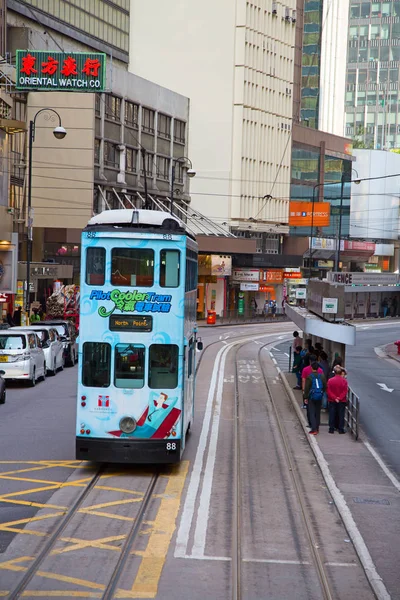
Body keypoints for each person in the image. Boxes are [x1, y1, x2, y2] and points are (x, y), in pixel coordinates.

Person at [304, 362, 326, 435]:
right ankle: (317, 427)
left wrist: (305, 397)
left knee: (312, 413)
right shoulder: (322, 376)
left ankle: (314, 429)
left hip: (312, 396)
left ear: (312, 368)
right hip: (319, 396)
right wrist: (321, 392)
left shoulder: (309, 377)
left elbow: (306, 388)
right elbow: (325, 386)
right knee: (317, 412)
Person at [327, 365, 349, 434]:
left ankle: (331, 428)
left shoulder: (330, 380)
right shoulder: (344, 381)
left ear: (335, 373)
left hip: (332, 400)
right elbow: (345, 391)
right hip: (341, 400)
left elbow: (328, 390)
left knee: (332, 414)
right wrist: (339, 398)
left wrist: (334, 398)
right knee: (341, 414)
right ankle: (340, 429)